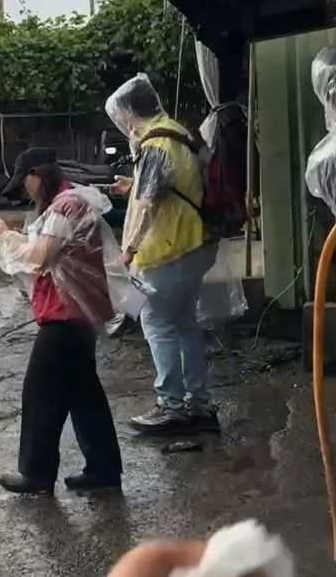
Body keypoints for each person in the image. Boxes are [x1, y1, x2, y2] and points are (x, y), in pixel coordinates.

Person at [0, 147, 123, 494]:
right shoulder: (64, 204)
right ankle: (103, 472)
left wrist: (6, 239)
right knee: (83, 395)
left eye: (25, 182)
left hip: (65, 314)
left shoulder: (65, 206)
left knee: (40, 393)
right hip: (77, 313)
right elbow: (45, 247)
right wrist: (13, 235)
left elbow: (42, 256)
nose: (25, 190)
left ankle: (36, 473)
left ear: (37, 174)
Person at [106, 74, 220, 435]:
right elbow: (172, 186)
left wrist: (128, 250)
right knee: (185, 323)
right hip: (194, 244)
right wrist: (132, 185)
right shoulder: (176, 133)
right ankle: (199, 405)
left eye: (120, 116)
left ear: (129, 113)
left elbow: (148, 205)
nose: (121, 124)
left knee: (156, 323)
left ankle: (171, 406)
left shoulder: (155, 144)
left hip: (167, 249)